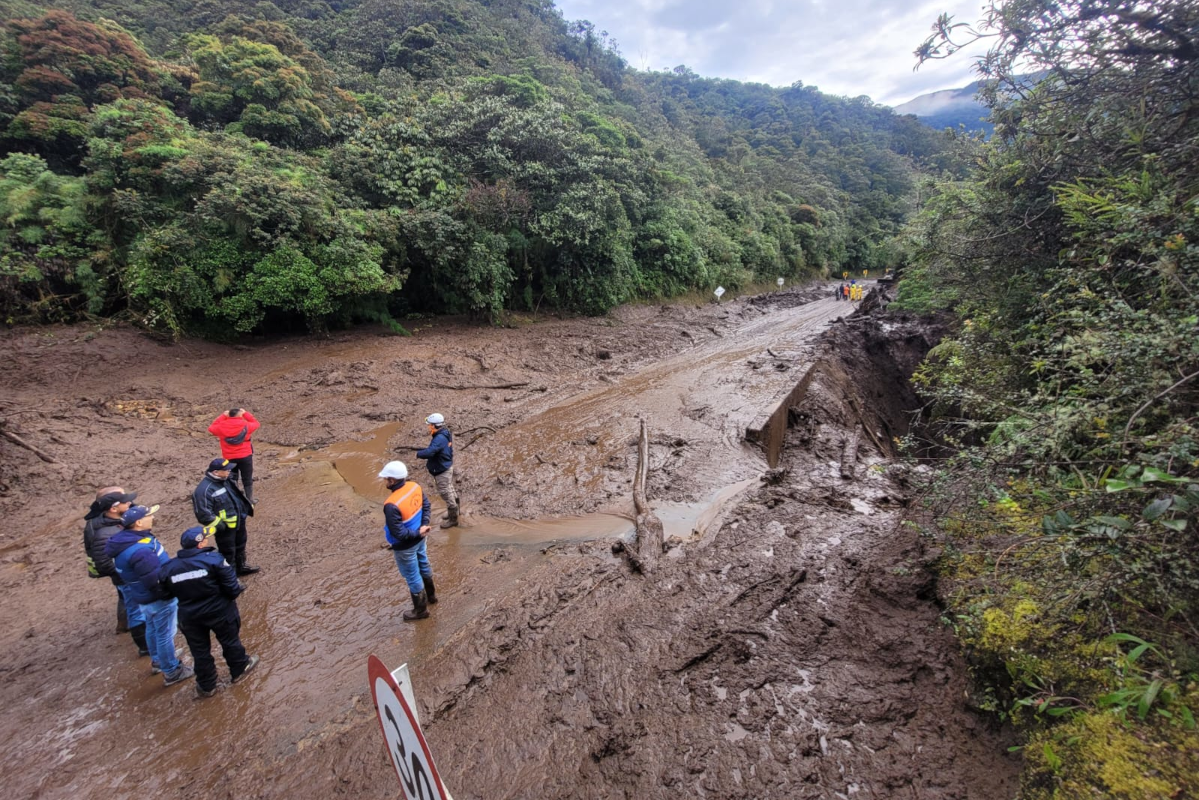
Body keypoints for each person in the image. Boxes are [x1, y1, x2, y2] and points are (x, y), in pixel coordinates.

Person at [158, 526, 260, 698]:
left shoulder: (169, 568)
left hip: (189, 616)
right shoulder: (214, 560)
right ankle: (239, 667)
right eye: (205, 538)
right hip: (219, 610)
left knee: (199, 651)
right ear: (200, 543)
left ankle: (206, 685)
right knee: (230, 641)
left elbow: (164, 593)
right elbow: (233, 588)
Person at [106, 505, 194, 686]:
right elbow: (154, 580)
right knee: (165, 634)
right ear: (138, 523)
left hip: (144, 597)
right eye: (149, 516)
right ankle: (172, 670)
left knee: (153, 628)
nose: (152, 518)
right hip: (158, 598)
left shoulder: (126, 541)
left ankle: (159, 660)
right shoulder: (140, 551)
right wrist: (170, 592)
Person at [84, 486, 149, 656]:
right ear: (111, 505)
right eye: (123, 498)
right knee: (130, 602)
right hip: (124, 575)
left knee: (132, 600)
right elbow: (102, 560)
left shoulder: (117, 516)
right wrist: (128, 567)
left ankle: (130, 626)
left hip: (131, 569)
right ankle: (139, 640)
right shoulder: (98, 529)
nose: (129, 501)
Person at [378, 461, 437, 621]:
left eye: (386, 479)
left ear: (392, 480)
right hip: (420, 537)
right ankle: (431, 596)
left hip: (406, 545)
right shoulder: (414, 487)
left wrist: (418, 532)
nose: (385, 482)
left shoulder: (391, 505)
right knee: (423, 562)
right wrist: (423, 526)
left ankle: (420, 610)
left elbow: (399, 533)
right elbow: (426, 505)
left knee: (412, 575)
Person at [193, 457, 259, 576]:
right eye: (226, 470)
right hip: (225, 529)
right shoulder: (203, 490)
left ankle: (241, 566)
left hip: (238, 522)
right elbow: (203, 514)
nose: (229, 471)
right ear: (216, 472)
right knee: (228, 552)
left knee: (241, 545)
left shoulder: (226, 480)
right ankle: (231, 577)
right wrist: (221, 526)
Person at [415, 412, 459, 529]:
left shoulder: (439, 438)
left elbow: (430, 452)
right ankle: (454, 511)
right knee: (449, 488)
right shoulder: (445, 433)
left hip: (442, 470)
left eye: (430, 425)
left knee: (445, 492)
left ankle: (453, 519)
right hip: (446, 466)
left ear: (434, 425)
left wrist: (419, 454)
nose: (429, 427)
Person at [208, 407, 260, 503]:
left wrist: (223, 416)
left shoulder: (222, 426)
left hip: (229, 457)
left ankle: (235, 498)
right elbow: (256, 423)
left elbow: (211, 428)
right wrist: (246, 414)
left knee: (232, 477)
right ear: (240, 415)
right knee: (247, 477)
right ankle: (250, 499)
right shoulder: (246, 425)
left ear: (229, 415)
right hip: (245, 456)